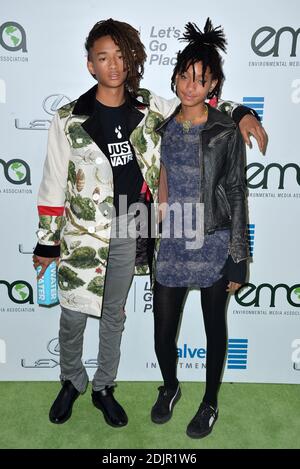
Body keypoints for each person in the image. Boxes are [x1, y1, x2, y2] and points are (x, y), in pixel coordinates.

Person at [32, 18, 266, 428]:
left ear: (131, 60)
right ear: (90, 64)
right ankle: (71, 380)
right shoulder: (69, 118)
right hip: (82, 235)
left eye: (121, 55)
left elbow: (198, 106)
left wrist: (242, 111)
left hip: (130, 227)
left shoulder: (147, 106)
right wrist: (47, 244)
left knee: (113, 316)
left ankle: (104, 388)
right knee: (71, 315)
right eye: (104, 57)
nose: (114, 65)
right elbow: (53, 182)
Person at [151, 18, 249, 439]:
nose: (191, 86)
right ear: (175, 78)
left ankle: (209, 403)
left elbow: (238, 193)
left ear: (213, 86)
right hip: (173, 240)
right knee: (161, 332)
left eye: (201, 80)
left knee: (214, 330)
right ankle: (170, 386)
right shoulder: (162, 122)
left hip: (214, 240)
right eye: (185, 76)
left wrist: (238, 260)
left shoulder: (226, 130)